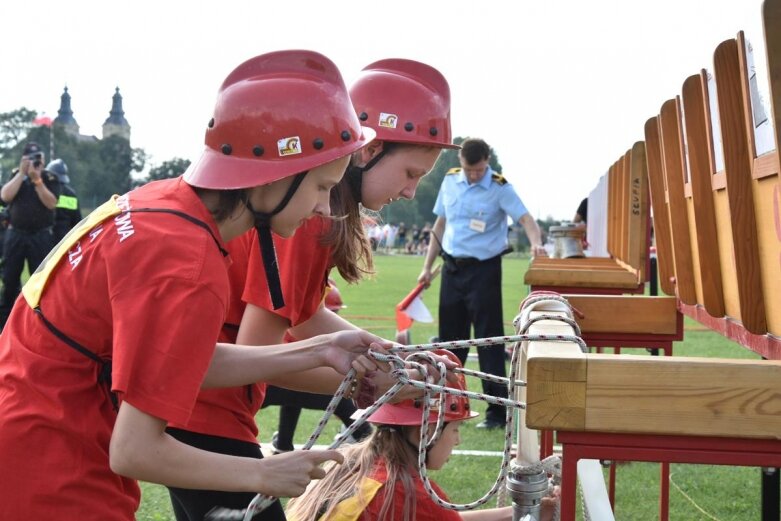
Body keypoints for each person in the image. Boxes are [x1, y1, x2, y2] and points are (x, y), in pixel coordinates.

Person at [0, 50, 393, 521]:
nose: (327, 208)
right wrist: (262, 474)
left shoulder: (167, 207)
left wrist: (319, 349)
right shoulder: (187, 261)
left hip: (36, 432)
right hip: (52, 462)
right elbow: (134, 450)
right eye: (321, 186)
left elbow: (176, 357)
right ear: (276, 176)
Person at [165, 58, 460, 520]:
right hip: (206, 417)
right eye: (410, 173)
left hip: (203, 413)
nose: (411, 192)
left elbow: (302, 314)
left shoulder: (314, 206)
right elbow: (255, 352)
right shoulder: (310, 216)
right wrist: (376, 383)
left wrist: (389, 359)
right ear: (370, 149)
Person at [285, 350, 559, 521]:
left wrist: (521, 512)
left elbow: (447, 519)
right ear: (426, 430)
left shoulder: (353, 464)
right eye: (455, 429)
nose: (458, 440)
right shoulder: (409, 492)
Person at [418, 138, 546, 430]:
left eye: (478, 170)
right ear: (460, 163)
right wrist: (426, 267)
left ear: (487, 161)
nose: (473, 175)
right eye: (468, 170)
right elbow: (440, 225)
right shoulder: (450, 181)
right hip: (451, 268)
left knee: (488, 342)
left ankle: (497, 413)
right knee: (450, 343)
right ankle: (449, 405)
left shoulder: (500, 187)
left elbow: (526, 219)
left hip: (484, 271)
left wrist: (536, 244)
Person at [0, 141, 60, 329]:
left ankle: (39, 323)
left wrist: (37, 180)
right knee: (9, 280)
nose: (34, 162)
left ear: (43, 160)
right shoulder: (15, 176)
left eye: (37, 159)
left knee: (41, 281)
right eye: (29, 159)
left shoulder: (50, 178)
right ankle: (5, 324)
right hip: (16, 235)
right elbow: (5, 196)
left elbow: (51, 203)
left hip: (40, 236)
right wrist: (21, 174)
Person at [46, 158, 83, 242]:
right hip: (64, 241)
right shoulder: (71, 194)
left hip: (45, 240)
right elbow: (77, 221)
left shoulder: (44, 190)